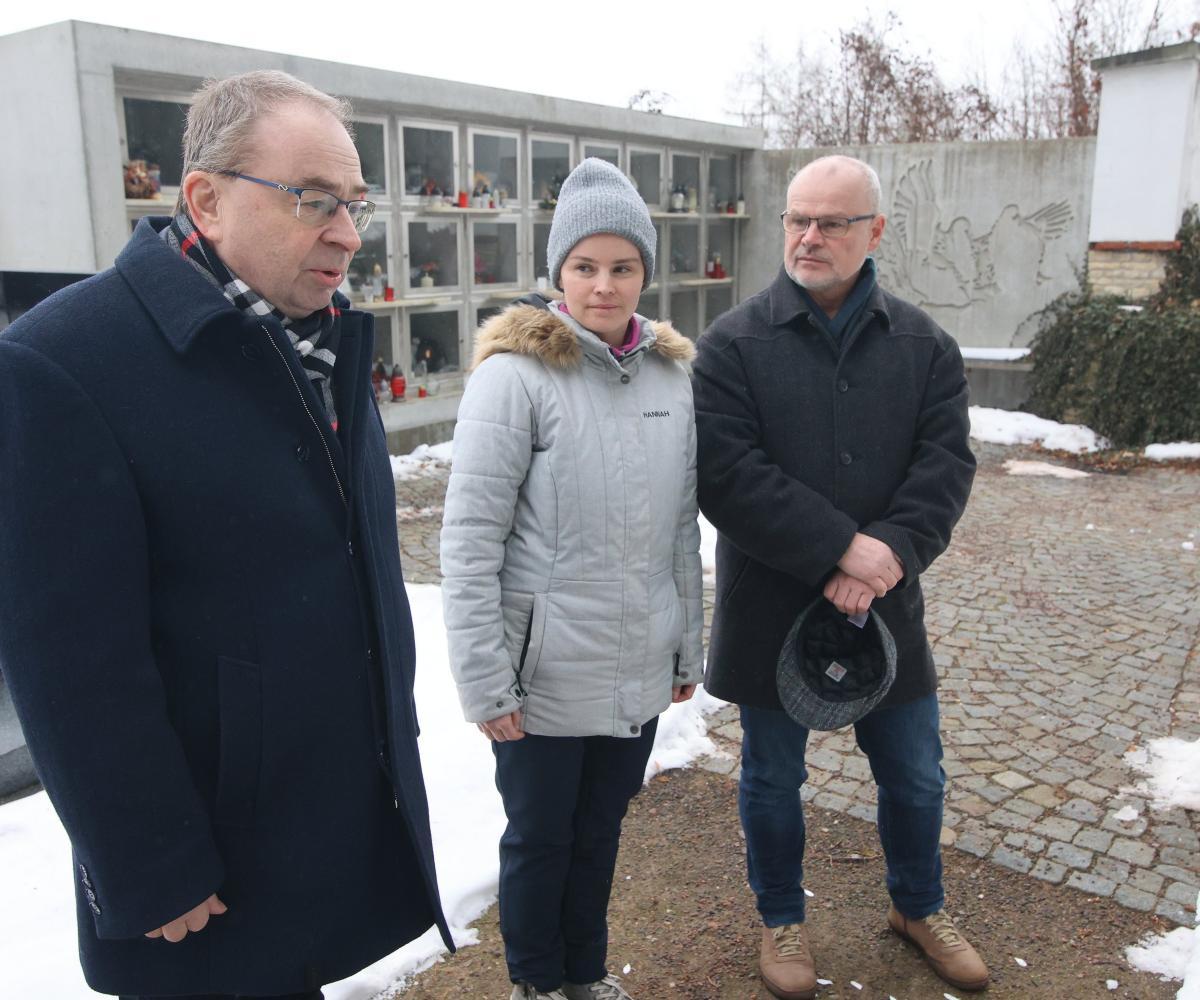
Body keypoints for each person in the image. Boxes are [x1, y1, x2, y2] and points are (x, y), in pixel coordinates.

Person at [0, 70, 450, 999]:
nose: (347, 233)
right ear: (206, 199)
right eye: (314, 199)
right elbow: (67, 658)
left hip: (312, 824)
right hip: (199, 870)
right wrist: (148, 860)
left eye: (354, 203)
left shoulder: (316, 337)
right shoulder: (62, 362)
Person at [692, 155, 986, 998]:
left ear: (875, 231)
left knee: (916, 773)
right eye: (797, 219)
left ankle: (917, 906)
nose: (808, 236)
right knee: (771, 778)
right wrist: (837, 549)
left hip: (887, 602)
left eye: (831, 222)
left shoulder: (925, 346)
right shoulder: (732, 344)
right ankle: (782, 919)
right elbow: (727, 474)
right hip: (768, 602)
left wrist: (883, 553)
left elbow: (945, 469)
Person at [440, 158, 704, 1000]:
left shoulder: (670, 377)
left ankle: (584, 976)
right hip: (543, 673)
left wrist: (684, 647)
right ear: (559, 271)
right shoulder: (515, 377)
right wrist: (486, 681)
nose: (603, 285)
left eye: (622, 267)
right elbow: (470, 541)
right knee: (541, 839)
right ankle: (536, 983)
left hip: (636, 662)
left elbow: (679, 529)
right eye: (585, 266)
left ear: (644, 273)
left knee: (599, 834)